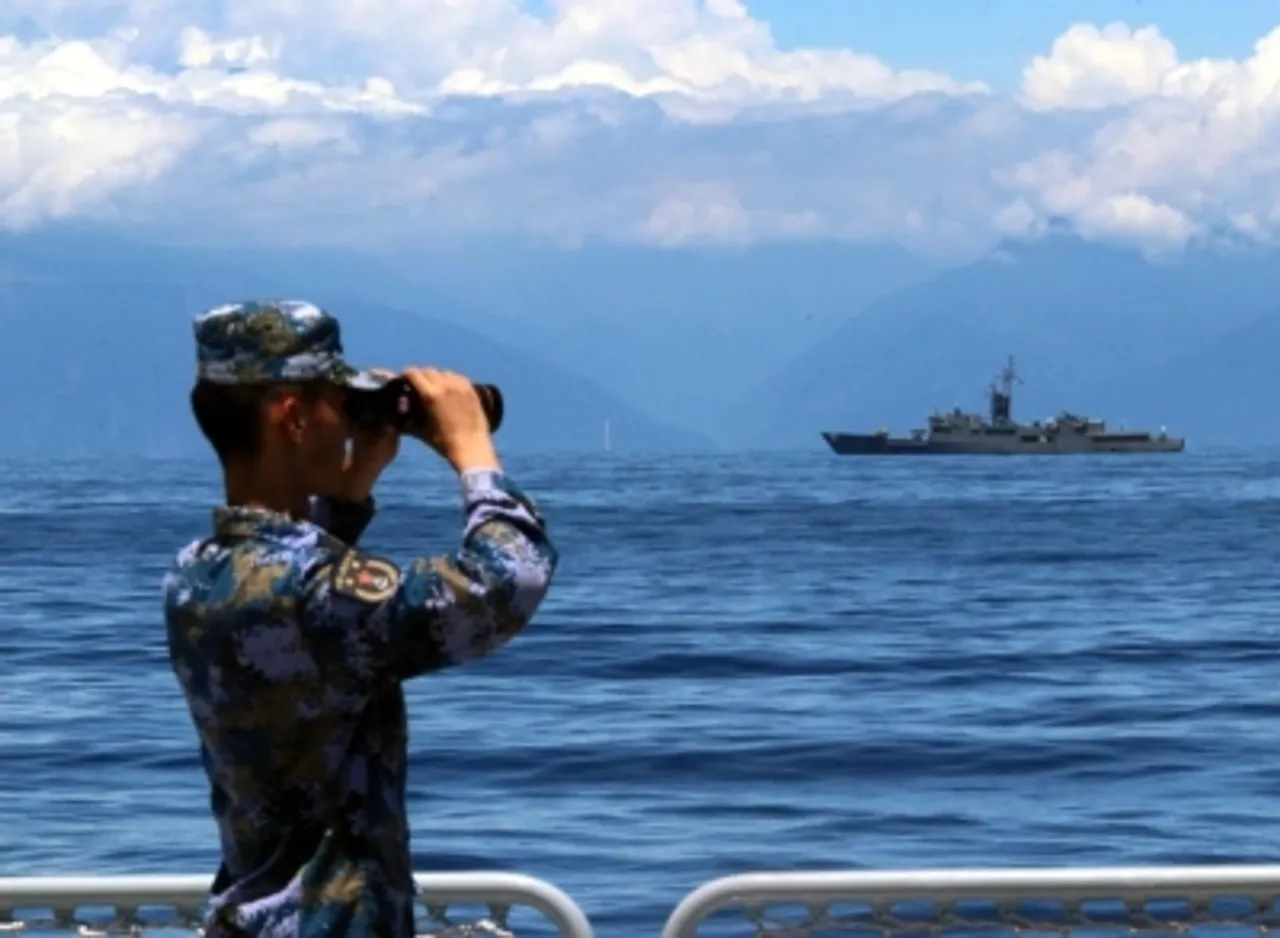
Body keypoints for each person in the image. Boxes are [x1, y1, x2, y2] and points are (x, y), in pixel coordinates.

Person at [162, 298, 558, 938]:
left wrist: (348, 491)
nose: (345, 421)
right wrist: (473, 453)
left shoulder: (194, 572)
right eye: (335, 403)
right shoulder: (313, 595)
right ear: (292, 416)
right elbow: (506, 582)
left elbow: (299, 610)